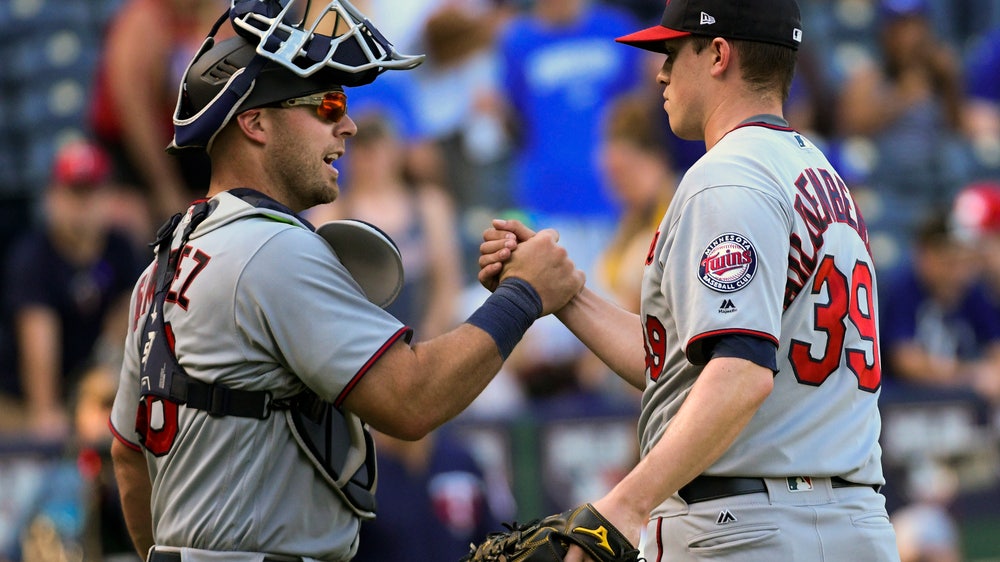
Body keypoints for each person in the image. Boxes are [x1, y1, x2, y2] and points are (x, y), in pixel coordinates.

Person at [107, 2, 584, 561]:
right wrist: (523, 295)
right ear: (255, 122)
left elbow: (128, 458)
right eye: (327, 104)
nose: (348, 125)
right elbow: (411, 399)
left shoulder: (164, 261)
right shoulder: (272, 248)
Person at [479, 0, 900, 559]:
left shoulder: (729, 176)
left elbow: (739, 374)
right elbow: (687, 364)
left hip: (750, 527)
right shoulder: (818, 171)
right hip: (846, 521)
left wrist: (625, 504)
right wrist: (567, 295)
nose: (660, 72)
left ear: (718, 55)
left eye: (673, 53)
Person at [0, 139, 145, 439]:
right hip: (19, 399)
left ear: (110, 196)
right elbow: (37, 336)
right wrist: (47, 410)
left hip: (87, 387)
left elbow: (130, 317)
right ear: (52, 197)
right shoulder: (33, 257)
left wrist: (99, 382)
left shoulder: (121, 248)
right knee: (46, 425)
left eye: (92, 192)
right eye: (73, 192)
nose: (83, 204)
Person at [307, 111, 463, 340]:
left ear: (396, 152)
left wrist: (430, 339)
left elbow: (447, 283)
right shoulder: (329, 214)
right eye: (363, 151)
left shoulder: (430, 206)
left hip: (423, 337)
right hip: (360, 343)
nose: (371, 160)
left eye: (378, 150)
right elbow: (317, 294)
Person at [879, 209, 1000, 405]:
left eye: (964, 261)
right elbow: (906, 362)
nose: (959, 272)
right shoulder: (902, 288)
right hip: (906, 404)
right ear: (925, 256)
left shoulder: (972, 291)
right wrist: (971, 375)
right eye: (949, 262)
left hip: (961, 407)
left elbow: (996, 350)